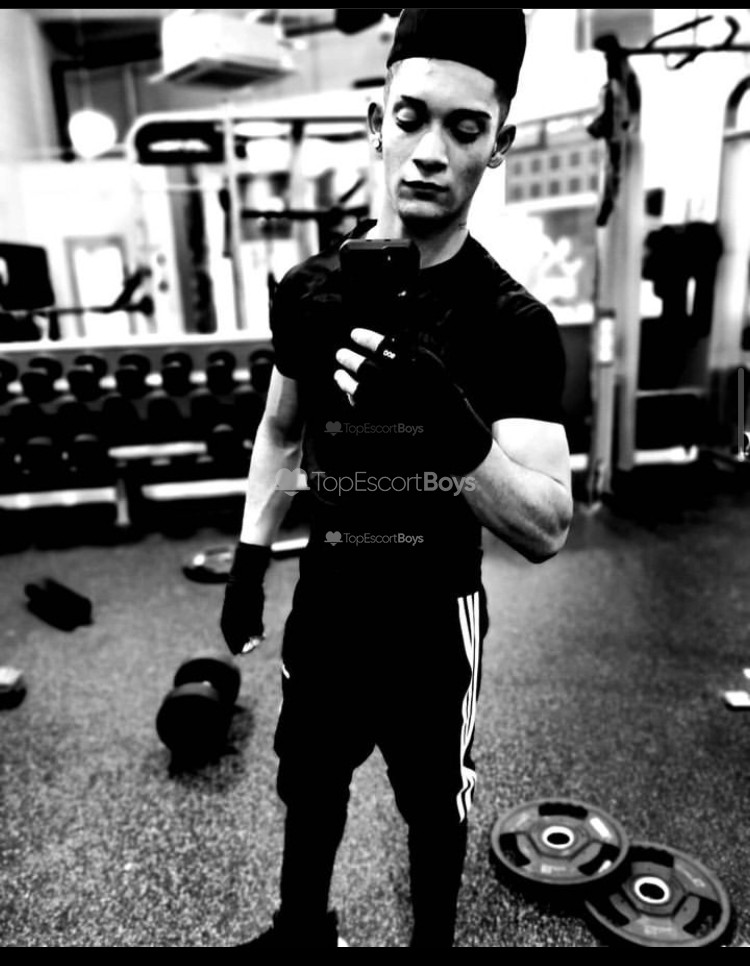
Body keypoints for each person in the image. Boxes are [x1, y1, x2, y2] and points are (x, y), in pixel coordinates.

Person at [221, 9, 573, 948]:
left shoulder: (512, 324)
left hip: (432, 616)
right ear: (378, 121)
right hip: (329, 596)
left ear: (498, 146)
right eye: (411, 117)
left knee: (434, 805)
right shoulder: (309, 291)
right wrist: (249, 563)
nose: (429, 152)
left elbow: (548, 524)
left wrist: (447, 426)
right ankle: (302, 933)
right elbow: (280, 431)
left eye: (465, 128)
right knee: (308, 781)